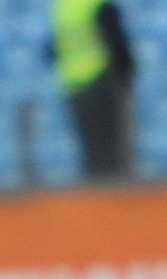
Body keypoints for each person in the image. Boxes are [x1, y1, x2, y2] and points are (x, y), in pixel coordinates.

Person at [48, 0, 135, 178]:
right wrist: (126, 73)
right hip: (101, 79)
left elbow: (52, 48)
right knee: (113, 146)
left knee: (91, 146)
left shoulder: (62, 8)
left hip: (73, 85)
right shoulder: (97, 5)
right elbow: (116, 43)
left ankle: (96, 185)